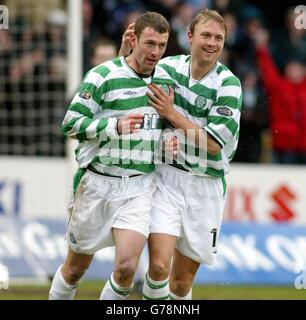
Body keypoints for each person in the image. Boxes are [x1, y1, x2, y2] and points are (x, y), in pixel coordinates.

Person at [49, 11, 173, 300]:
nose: (155, 52)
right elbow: (70, 124)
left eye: (162, 46)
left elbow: (169, 123)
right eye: (150, 43)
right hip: (97, 183)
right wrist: (114, 126)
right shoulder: (103, 75)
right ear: (134, 39)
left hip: (138, 186)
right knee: (75, 268)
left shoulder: (167, 81)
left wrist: (171, 140)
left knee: (126, 268)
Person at [120, 8, 242, 300]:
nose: (212, 43)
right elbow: (130, 86)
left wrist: (172, 115)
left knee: (180, 284)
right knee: (159, 268)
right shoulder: (168, 68)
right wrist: (126, 51)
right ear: (190, 36)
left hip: (206, 186)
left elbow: (213, 144)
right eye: (206, 35)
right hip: (168, 180)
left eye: (218, 38)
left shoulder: (228, 85)